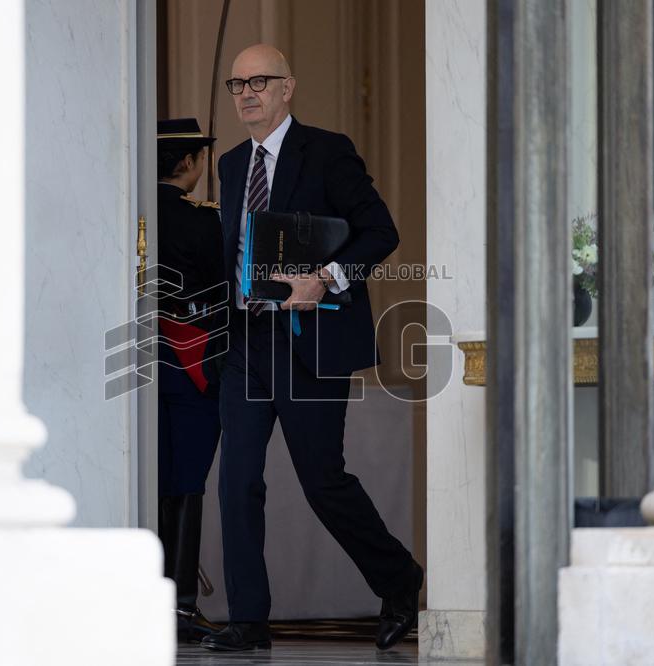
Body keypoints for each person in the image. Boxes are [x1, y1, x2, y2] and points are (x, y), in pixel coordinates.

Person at [201, 44, 423, 653]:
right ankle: (248, 621)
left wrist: (324, 278)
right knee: (236, 482)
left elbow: (380, 232)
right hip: (246, 343)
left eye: (260, 81)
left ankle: (399, 579)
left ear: (288, 87)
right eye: (237, 84)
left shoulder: (327, 152)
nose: (247, 93)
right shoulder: (230, 165)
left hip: (309, 341)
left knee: (323, 481)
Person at [155, 118, 227, 643]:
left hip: (141, 364)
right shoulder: (205, 220)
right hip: (192, 362)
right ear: (188, 162)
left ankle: (150, 598)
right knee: (187, 479)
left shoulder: (129, 212)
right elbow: (228, 289)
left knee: (153, 479)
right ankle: (178, 605)